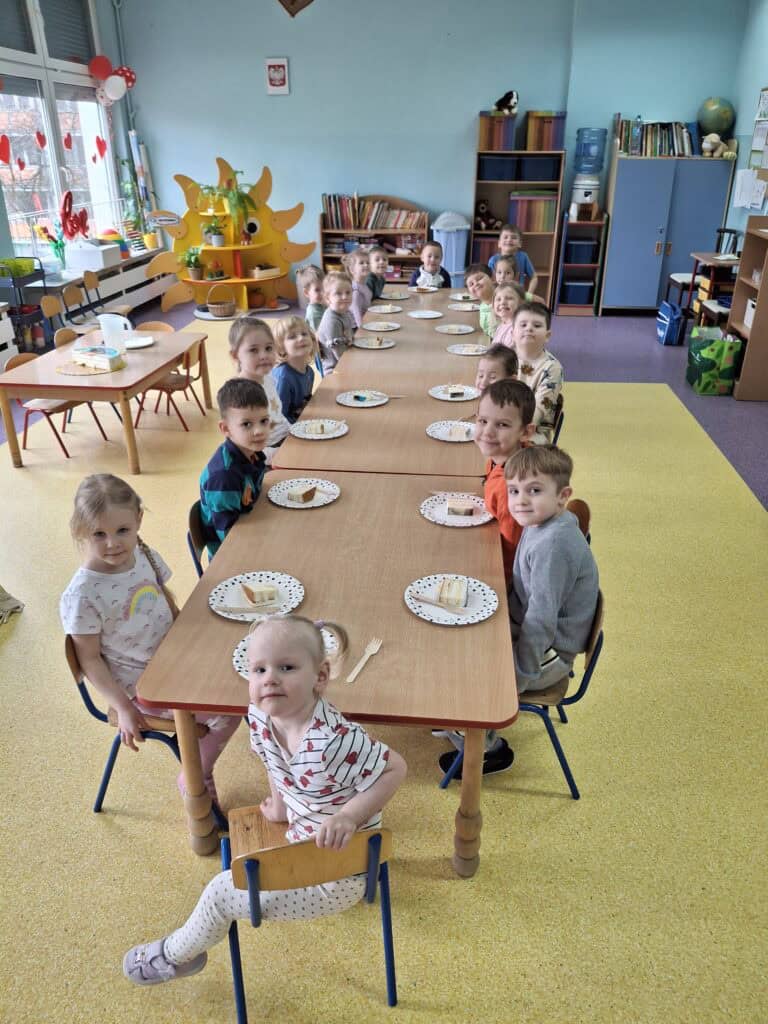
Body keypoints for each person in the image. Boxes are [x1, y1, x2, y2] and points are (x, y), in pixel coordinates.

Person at [123, 615, 407, 987]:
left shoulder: (335, 740)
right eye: (259, 670)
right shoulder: (259, 714)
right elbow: (271, 759)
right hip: (302, 838)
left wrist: (349, 817)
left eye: (286, 668)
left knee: (220, 894)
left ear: (320, 676)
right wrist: (280, 803)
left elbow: (395, 768)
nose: (269, 679)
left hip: (341, 872)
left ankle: (173, 956)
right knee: (234, 877)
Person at [60, 474, 240, 807]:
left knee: (241, 671)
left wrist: (191, 636)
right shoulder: (82, 594)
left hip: (175, 659)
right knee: (229, 709)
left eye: (122, 530)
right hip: (145, 690)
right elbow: (89, 660)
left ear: (138, 520)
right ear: (81, 530)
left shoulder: (143, 553)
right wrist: (123, 708)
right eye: (99, 534)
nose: (112, 543)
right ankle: (195, 774)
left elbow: (163, 598)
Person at [434, 379, 536, 780]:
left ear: (526, 432)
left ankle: (488, 746)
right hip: (501, 572)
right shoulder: (502, 462)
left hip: (509, 592)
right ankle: (453, 711)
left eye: (502, 425)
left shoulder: (513, 484)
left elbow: (511, 555)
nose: (487, 432)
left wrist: (480, 579)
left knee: (452, 628)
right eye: (482, 421)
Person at [505, 445, 599, 694]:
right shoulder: (540, 520)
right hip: (528, 629)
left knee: (468, 675)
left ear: (562, 496)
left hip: (547, 656)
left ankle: (485, 724)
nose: (520, 500)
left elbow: (540, 620)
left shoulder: (553, 546)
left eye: (534, 490)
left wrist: (517, 679)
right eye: (513, 491)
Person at [199, 378, 270, 558]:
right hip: (233, 557)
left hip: (254, 527)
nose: (259, 431)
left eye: (264, 421)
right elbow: (230, 538)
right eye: (247, 424)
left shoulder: (251, 453)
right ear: (225, 429)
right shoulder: (224, 477)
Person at [228, 314, 290, 462]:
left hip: (286, 440)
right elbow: (247, 449)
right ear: (235, 356)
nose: (264, 355)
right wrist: (280, 453)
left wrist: (297, 431)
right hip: (267, 455)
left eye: (268, 348)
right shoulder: (241, 394)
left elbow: (278, 416)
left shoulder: (268, 378)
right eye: (253, 350)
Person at [512, 302, 564, 444]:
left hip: (532, 432)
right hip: (503, 423)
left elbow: (538, 410)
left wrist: (513, 431)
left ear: (547, 335)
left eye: (537, 325)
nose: (529, 328)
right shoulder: (505, 358)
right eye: (523, 325)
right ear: (512, 333)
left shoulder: (552, 368)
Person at [271, 316, 317, 423]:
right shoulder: (284, 378)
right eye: (292, 337)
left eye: (304, 334)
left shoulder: (309, 372)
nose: (301, 338)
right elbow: (278, 418)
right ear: (281, 348)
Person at [316, 271, 356, 373]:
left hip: (347, 360)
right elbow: (341, 356)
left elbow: (350, 338)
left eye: (348, 292)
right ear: (328, 298)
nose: (345, 297)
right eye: (338, 293)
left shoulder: (344, 312)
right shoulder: (332, 321)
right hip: (335, 369)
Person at [488, 224, 538, 295]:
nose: (509, 240)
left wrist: (529, 294)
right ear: (499, 243)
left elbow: (534, 277)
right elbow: (490, 281)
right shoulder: (493, 260)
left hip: (518, 295)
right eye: (505, 237)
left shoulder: (523, 256)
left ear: (520, 244)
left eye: (514, 237)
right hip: (499, 296)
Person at [464, 263, 496, 338]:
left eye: (479, 279)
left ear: (492, 278)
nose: (476, 284)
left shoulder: (502, 301)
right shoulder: (482, 306)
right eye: (471, 284)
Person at [491, 282, 526, 348]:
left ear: (521, 303)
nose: (502, 302)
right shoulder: (501, 326)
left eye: (509, 298)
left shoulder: (519, 329)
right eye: (498, 299)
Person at [344, 248, 372, 328]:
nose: (366, 265)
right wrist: (363, 329)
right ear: (352, 269)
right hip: (356, 328)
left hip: (366, 320)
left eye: (368, 262)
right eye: (361, 263)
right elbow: (357, 316)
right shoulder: (355, 290)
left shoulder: (363, 285)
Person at [296, 265, 326, 334]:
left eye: (324, 288)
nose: (323, 292)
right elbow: (318, 336)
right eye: (317, 290)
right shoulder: (313, 313)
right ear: (306, 292)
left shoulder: (321, 305)